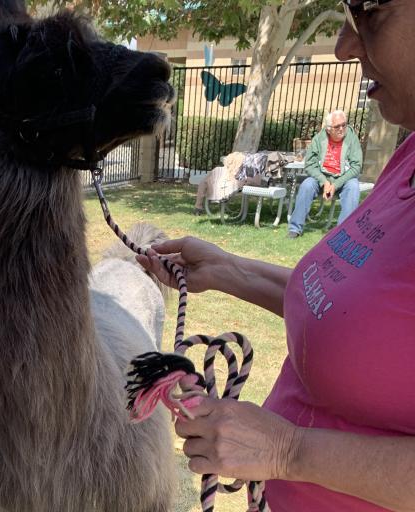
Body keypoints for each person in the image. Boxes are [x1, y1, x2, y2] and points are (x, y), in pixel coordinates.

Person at [136, 3, 415, 510]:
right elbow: (353, 310)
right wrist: (229, 270)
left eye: (372, 13)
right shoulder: (410, 154)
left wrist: (288, 452)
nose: (344, 46)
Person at [287, 110, 363, 238]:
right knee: (307, 184)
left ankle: (342, 233)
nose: (342, 129)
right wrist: (325, 182)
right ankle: (295, 228)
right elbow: (310, 164)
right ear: (328, 129)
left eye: (344, 125)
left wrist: (336, 184)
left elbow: (356, 167)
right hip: (322, 177)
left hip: (343, 179)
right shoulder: (319, 139)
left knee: (353, 186)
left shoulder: (352, 138)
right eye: (337, 126)